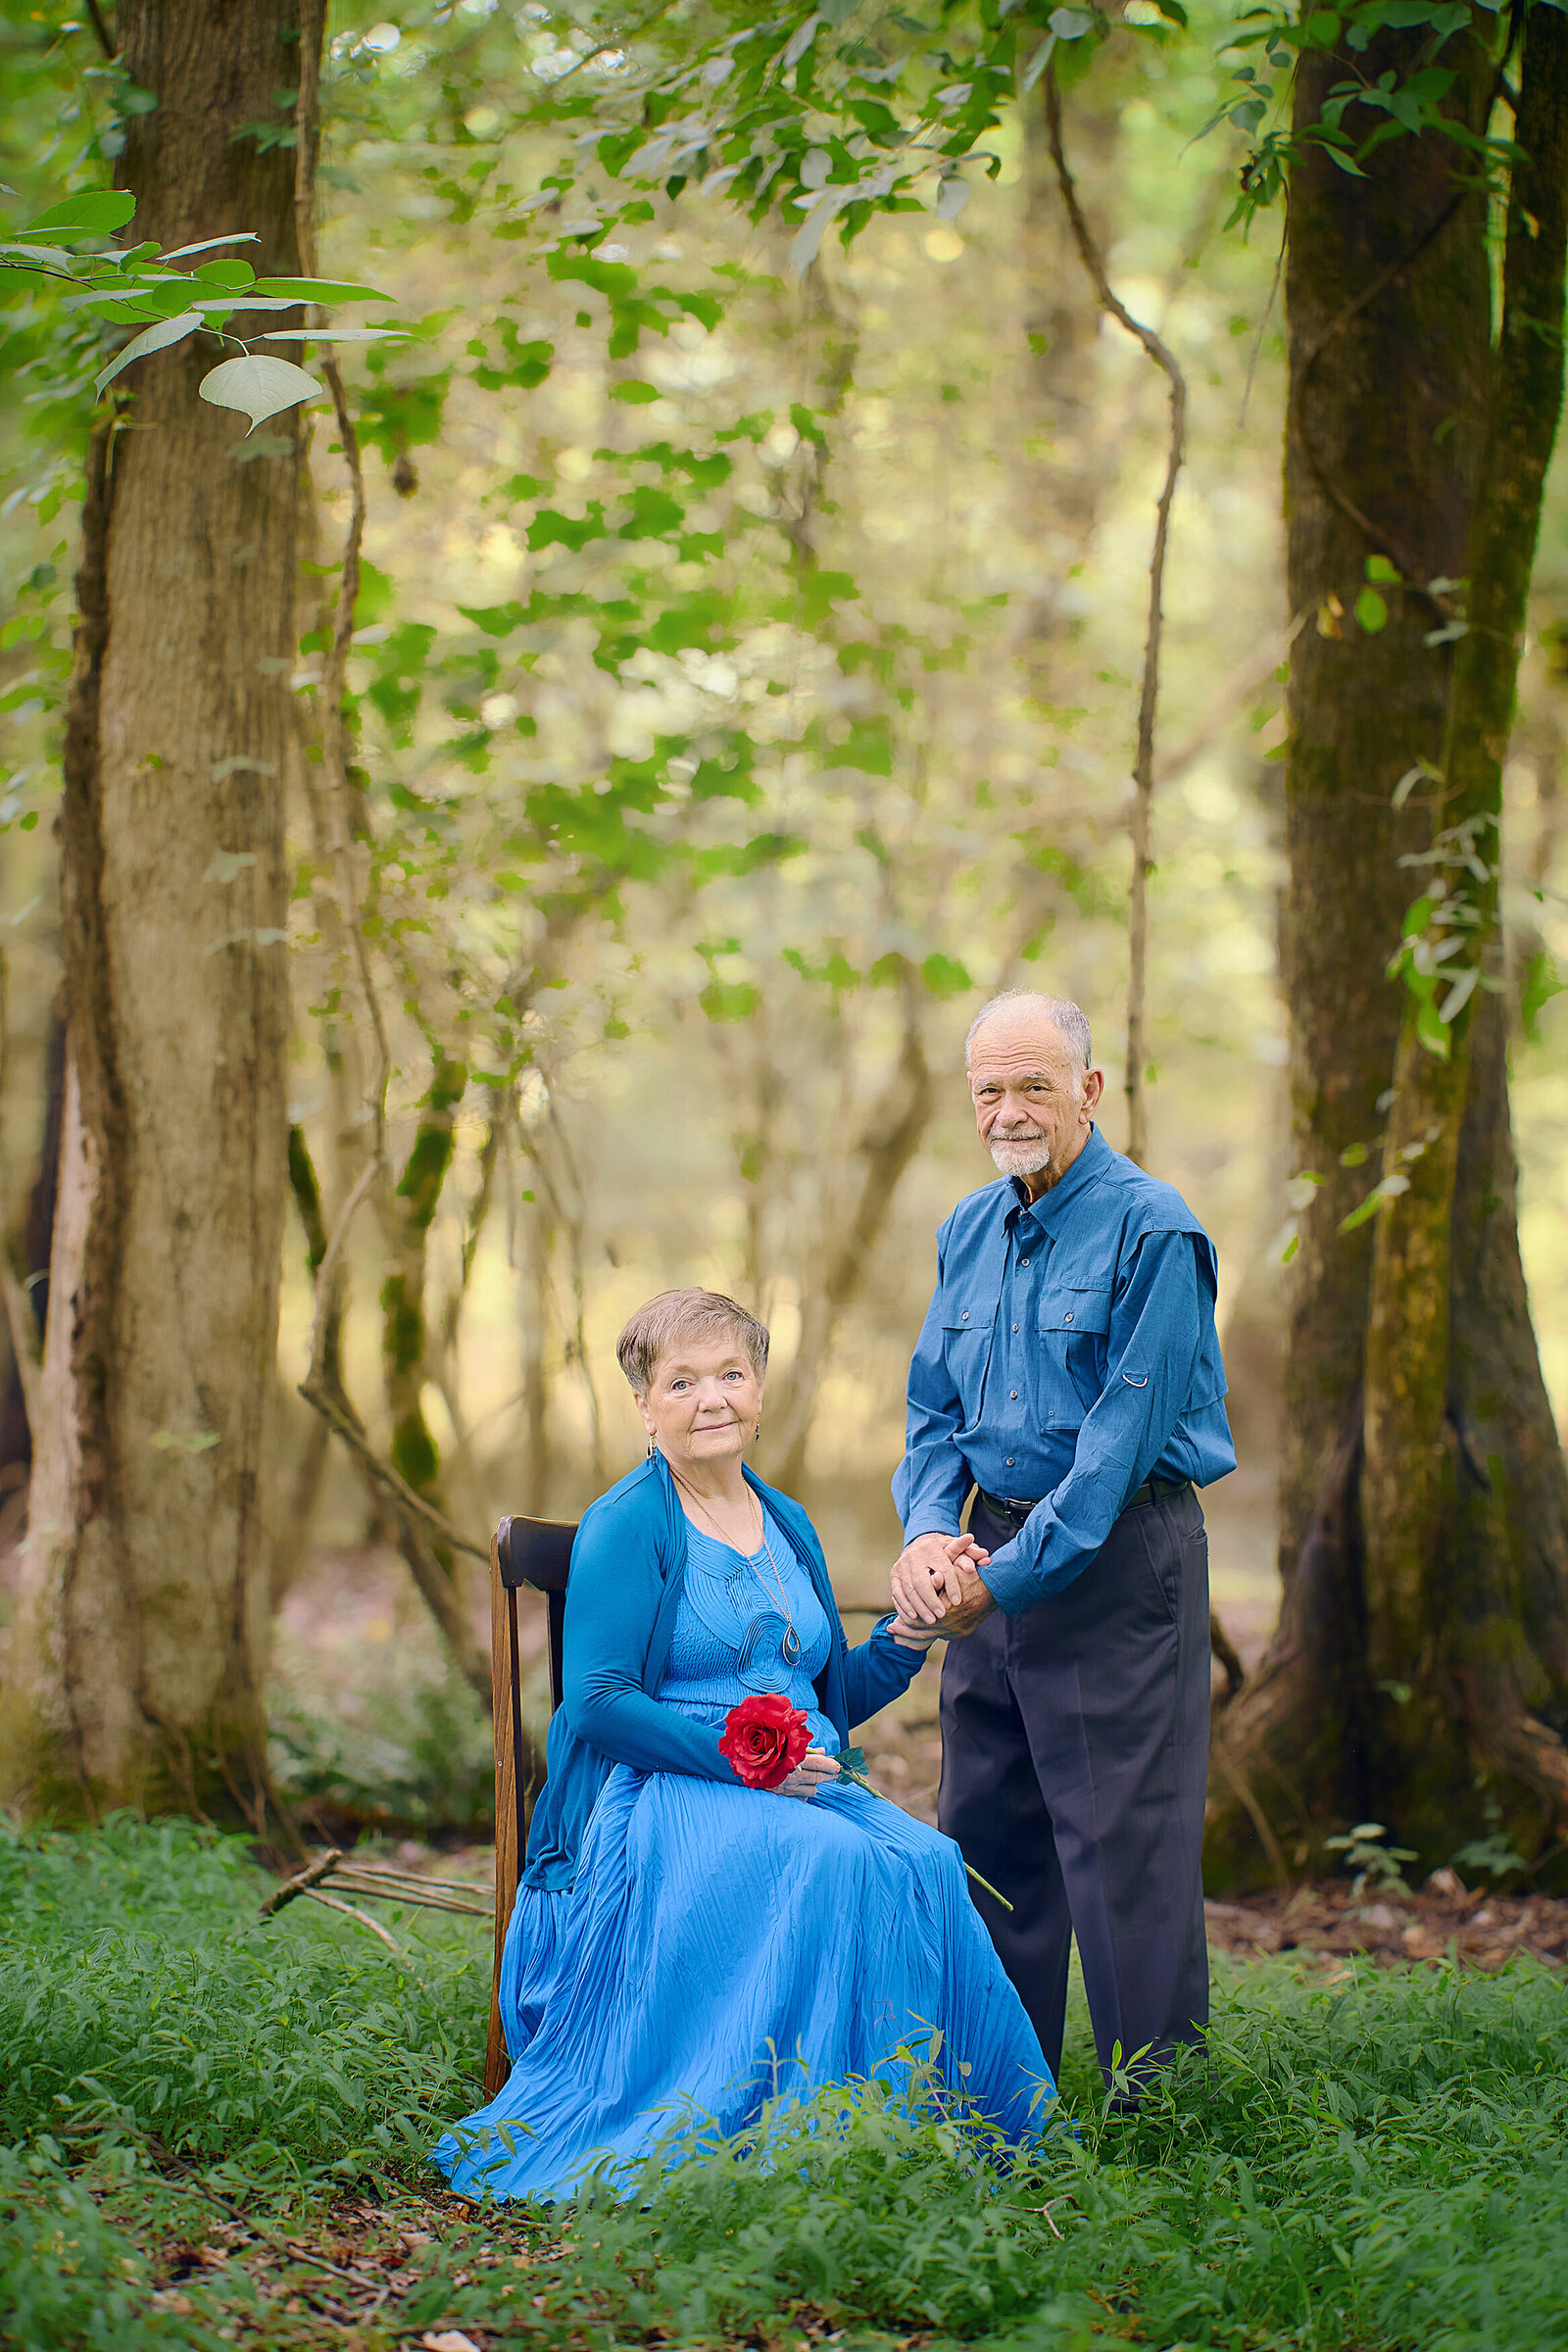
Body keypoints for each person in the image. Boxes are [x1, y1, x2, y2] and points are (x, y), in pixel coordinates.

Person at [436, 1287, 1051, 2201]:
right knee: (835, 1863)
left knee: (924, 1858)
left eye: (731, 1373)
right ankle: (800, 2140)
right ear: (644, 1406)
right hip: (657, 1789)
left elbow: (825, 1699)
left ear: (759, 1389)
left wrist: (912, 1633)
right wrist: (746, 1760)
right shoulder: (628, 1523)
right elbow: (598, 1705)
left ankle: (919, 2136)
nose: (712, 1398)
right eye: (681, 1382)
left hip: (791, 1785)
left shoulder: (786, 1518)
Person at [890, 991, 1235, 2098]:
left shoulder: (1154, 1230)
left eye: (1034, 1083)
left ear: (1088, 1089)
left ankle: (1156, 2110)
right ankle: (999, 2099)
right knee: (986, 1828)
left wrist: (1006, 1578)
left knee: (1122, 1843)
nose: (1009, 1109)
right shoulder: (965, 1228)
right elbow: (932, 1413)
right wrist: (930, 1538)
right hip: (987, 1557)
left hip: (1119, 1561)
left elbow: (1117, 1449)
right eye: (989, 1088)